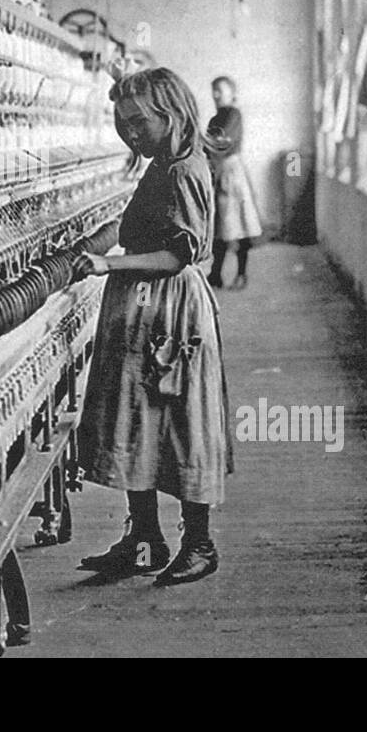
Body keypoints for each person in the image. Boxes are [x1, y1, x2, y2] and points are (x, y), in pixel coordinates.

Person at [71, 67, 233, 586]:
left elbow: (178, 256)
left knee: (182, 423)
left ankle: (200, 544)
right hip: (143, 308)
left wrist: (107, 265)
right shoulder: (165, 162)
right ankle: (144, 537)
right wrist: (95, 241)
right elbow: (137, 227)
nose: (131, 134)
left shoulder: (184, 169)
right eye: (123, 124)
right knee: (135, 417)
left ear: (173, 113)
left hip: (170, 309)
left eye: (139, 122)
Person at [206, 76, 262, 290]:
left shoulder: (233, 115)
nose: (216, 95)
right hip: (219, 173)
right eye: (214, 90)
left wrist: (203, 145)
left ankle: (241, 274)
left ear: (232, 93)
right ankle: (216, 274)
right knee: (220, 226)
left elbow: (222, 142)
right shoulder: (214, 119)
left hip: (232, 173)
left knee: (240, 225)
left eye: (220, 90)